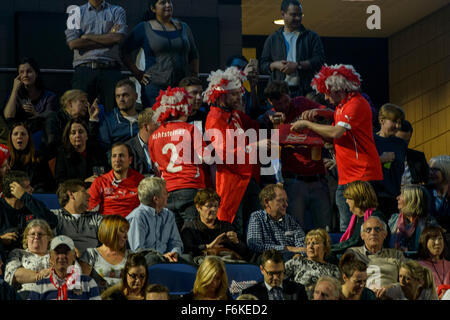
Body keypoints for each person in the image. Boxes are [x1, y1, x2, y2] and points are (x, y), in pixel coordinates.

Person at [291, 64, 383, 232]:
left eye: (327, 93)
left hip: (360, 173)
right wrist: (319, 118)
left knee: (360, 225)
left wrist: (307, 123)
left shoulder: (356, 103)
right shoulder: (341, 107)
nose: (326, 98)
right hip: (346, 174)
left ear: (339, 90)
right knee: (346, 224)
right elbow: (333, 135)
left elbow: (336, 132)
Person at [261, 80, 332, 230]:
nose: (285, 105)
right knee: (296, 229)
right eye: (279, 103)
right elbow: (268, 149)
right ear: (270, 102)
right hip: (293, 181)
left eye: (286, 100)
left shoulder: (301, 103)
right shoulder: (271, 118)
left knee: (324, 228)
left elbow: (331, 113)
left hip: (318, 178)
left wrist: (316, 112)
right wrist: (270, 121)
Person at [204, 66, 266, 236]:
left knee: (255, 227)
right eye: (233, 94)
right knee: (234, 229)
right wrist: (255, 146)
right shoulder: (215, 118)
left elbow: (255, 123)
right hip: (231, 182)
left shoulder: (234, 114)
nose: (238, 97)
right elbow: (224, 153)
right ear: (221, 96)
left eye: (239, 93)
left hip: (246, 179)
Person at [121, 0, 199, 108]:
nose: (167, 5)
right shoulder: (144, 27)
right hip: (155, 89)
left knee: (180, 123)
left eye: (169, 2)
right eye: (162, 3)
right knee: (157, 123)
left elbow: (194, 54)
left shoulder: (184, 27)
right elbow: (124, 51)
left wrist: (194, 77)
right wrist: (137, 73)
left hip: (181, 88)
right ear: (153, 8)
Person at [149, 86, 207, 230]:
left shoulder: (154, 136)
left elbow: (155, 167)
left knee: (174, 237)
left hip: (166, 191)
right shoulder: (190, 129)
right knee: (192, 236)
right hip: (190, 187)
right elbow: (205, 157)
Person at [65, 0, 127, 113]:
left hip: (110, 70)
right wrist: (107, 40)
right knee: (81, 113)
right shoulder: (75, 13)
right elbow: (73, 43)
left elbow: (118, 38)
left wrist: (87, 36)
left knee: (113, 113)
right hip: (84, 70)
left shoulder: (117, 11)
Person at [260, 0, 325, 97]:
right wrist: (275, 65)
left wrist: (298, 65)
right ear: (283, 14)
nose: (298, 18)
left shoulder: (311, 37)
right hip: (278, 93)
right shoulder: (273, 39)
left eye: (300, 15)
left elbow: (319, 60)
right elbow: (263, 65)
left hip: (305, 91)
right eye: (293, 15)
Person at [126, 177, 190, 266]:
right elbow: (138, 251)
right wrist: (162, 256)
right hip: (146, 264)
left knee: (189, 259)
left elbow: (176, 242)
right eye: (165, 193)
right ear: (156, 199)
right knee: (153, 260)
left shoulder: (169, 215)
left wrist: (174, 253)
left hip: (168, 260)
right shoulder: (138, 217)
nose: (168, 195)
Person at [181, 188, 249, 262]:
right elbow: (187, 249)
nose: (213, 209)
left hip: (226, 262)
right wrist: (207, 247)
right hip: (202, 264)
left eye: (216, 206)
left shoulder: (226, 226)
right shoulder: (190, 227)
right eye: (209, 206)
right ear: (198, 207)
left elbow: (244, 252)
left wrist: (236, 242)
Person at [345, 216, 407, 295]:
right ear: (362, 235)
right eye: (368, 230)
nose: (373, 233)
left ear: (385, 234)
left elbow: (408, 281)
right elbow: (346, 281)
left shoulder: (396, 255)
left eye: (377, 229)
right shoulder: (353, 253)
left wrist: (392, 288)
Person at [28, 235, 100, 300]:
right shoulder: (39, 286)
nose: (62, 256)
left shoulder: (88, 283)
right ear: (50, 257)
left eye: (66, 252)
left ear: (74, 256)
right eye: (57, 252)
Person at [0, 171, 57, 253]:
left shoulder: (32, 204)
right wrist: (1, 239)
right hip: (7, 256)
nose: (32, 189)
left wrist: (24, 197)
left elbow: (52, 222)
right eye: (27, 187)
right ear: (13, 190)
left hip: (33, 254)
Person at [247, 184, 306, 261]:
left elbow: (302, 244)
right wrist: (287, 248)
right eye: (281, 200)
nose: (286, 205)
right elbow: (255, 245)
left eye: (286, 200)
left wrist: (299, 254)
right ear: (267, 202)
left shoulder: (290, 219)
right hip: (269, 261)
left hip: (292, 260)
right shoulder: (257, 217)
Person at [331, 180, 388, 256]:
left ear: (357, 199)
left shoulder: (375, 217)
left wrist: (330, 249)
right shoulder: (357, 217)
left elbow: (356, 241)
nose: (346, 201)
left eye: (349, 198)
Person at [3, 57, 58, 133]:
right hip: (19, 135)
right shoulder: (15, 95)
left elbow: (52, 119)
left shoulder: (49, 96)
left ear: (36, 74)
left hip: (41, 135)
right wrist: (15, 89)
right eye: (21, 72)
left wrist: (36, 114)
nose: (25, 75)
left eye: (29, 71)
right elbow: (8, 116)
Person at [88, 143, 144, 217]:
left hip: (133, 225)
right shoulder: (100, 181)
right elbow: (90, 209)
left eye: (121, 156)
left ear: (130, 160)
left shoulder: (141, 181)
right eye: (114, 156)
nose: (117, 160)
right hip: (108, 225)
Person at [42, 89, 100, 160]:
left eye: (87, 102)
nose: (86, 105)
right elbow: (52, 142)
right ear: (70, 104)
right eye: (82, 101)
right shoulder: (53, 118)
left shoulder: (84, 120)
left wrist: (93, 119)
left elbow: (92, 143)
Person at [3, 219, 53, 299]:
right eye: (32, 234)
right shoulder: (18, 253)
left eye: (40, 234)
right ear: (26, 238)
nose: (36, 237)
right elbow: (14, 274)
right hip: (27, 294)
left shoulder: (56, 254)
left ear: (48, 238)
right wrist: (42, 274)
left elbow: (67, 272)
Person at [373, 103, 407, 218]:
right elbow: (361, 165)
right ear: (382, 120)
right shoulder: (371, 141)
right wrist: (380, 160)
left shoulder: (400, 143)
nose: (397, 126)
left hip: (394, 197)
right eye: (394, 122)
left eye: (399, 122)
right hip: (374, 196)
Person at [52, 179, 103, 256]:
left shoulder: (96, 217)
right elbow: (51, 242)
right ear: (71, 194)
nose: (89, 195)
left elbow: (108, 240)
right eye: (84, 192)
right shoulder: (55, 216)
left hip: (94, 262)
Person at [80, 215, 130, 292]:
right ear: (109, 231)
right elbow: (83, 286)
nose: (126, 236)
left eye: (127, 232)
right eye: (122, 231)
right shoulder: (91, 254)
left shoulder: (131, 255)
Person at [284, 228, 340, 298]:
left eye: (314, 243)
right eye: (308, 243)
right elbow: (278, 276)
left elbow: (338, 292)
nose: (310, 246)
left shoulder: (333, 269)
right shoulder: (297, 261)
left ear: (325, 247)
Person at [55, 118, 108, 185]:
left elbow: (103, 175)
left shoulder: (97, 151)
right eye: (73, 133)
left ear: (87, 136)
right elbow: (60, 180)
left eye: (80, 132)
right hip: (73, 190)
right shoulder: (63, 153)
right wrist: (84, 181)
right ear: (69, 137)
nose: (77, 135)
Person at [242, 249, 308, 300]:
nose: (276, 277)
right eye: (271, 273)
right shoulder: (250, 294)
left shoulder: (298, 290)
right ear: (262, 269)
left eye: (279, 273)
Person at [389, 184, 438, 253]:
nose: (397, 197)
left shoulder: (429, 223)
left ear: (413, 200)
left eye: (402, 195)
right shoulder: (393, 220)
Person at [7, 122, 55, 192]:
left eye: (23, 134)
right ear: (10, 138)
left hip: (34, 196)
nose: (19, 136)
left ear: (29, 138)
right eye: (15, 134)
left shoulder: (39, 157)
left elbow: (49, 184)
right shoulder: (5, 158)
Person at [98, 79, 140, 151]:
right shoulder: (108, 120)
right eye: (118, 96)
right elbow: (105, 149)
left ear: (135, 96)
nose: (121, 99)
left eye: (125, 95)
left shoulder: (145, 119)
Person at [395, 119, 429, 186]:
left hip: (413, 195)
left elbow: (428, 180)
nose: (403, 145)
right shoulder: (384, 156)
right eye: (399, 141)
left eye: (407, 141)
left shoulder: (418, 157)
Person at [125, 108, 157, 176]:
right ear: (146, 127)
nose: (160, 127)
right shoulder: (128, 148)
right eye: (156, 124)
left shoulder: (162, 144)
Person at [426, 155, 450, 237]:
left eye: (435, 170)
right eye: (430, 169)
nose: (431, 173)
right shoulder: (425, 192)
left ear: (446, 171)